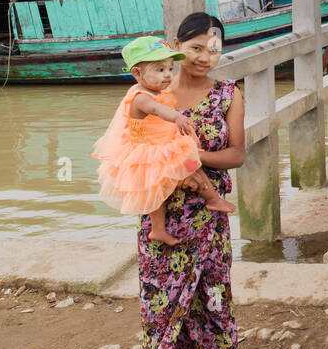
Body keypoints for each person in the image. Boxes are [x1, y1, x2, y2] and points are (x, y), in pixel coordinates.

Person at [134, 13, 246, 349]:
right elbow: (130, 149)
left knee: (215, 302)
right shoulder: (153, 91)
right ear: (176, 44)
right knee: (158, 309)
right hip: (160, 216)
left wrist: (189, 160)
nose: (205, 57)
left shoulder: (227, 94)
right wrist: (167, 167)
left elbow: (236, 155)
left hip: (207, 218)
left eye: (214, 48)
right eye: (196, 47)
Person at [93, 36, 236, 248]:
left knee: (169, 180)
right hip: (146, 149)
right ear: (137, 73)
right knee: (181, 169)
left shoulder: (155, 91)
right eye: (160, 70)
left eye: (170, 69)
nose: (167, 75)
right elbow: (156, 109)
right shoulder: (141, 96)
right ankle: (208, 200)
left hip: (155, 142)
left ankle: (160, 228)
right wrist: (176, 117)